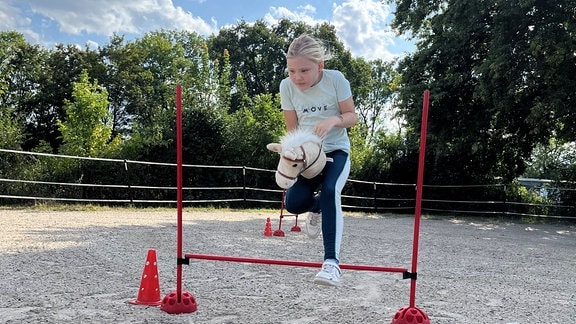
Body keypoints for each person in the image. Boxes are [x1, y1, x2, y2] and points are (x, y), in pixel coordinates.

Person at [279, 34, 357, 287]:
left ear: (320, 66)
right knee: (293, 203)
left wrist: (333, 120)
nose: (297, 76)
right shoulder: (286, 87)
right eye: (292, 70)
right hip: (307, 156)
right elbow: (292, 130)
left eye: (304, 70)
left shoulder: (336, 79)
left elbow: (351, 116)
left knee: (331, 191)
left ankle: (331, 264)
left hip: (335, 150)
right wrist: (291, 154)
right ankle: (315, 209)